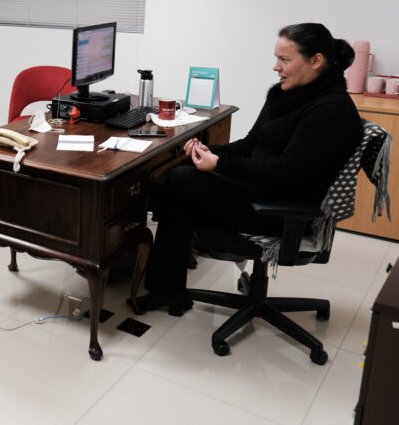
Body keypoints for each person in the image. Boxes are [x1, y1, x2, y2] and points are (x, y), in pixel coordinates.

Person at [139, 23, 363, 316]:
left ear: (316, 61)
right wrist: (210, 151)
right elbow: (251, 143)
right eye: (276, 58)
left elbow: (287, 171)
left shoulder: (331, 110)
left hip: (283, 209)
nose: (275, 67)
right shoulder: (287, 94)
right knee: (180, 179)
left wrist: (220, 164)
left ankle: (164, 288)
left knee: (179, 181)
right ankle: (168, 291)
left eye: (284, 60)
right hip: (259, 190)